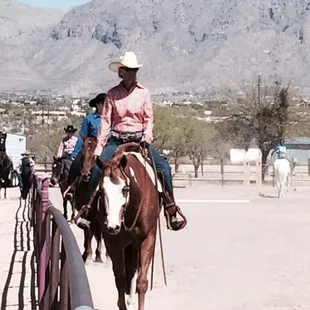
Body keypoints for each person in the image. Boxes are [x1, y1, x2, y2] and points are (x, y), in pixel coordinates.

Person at [87, 51, 186, 231]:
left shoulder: (144, 93)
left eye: (134, 70)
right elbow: (106, 122)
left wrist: (147, 136)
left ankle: (171, 210)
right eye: (128, 70)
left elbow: (149, 118)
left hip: (139, 140)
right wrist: (99, 148)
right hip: (116, 140)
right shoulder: (112, 94)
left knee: (164, 168)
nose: (132, 73)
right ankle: (89, 211)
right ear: (121, 72)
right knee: (96, 169)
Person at [64, 93, 107, 201]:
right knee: (76, 163)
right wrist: (75, 153)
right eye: (103, 103)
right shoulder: (90, 119)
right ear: (97, 105)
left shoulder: (111, 119)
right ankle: (71, 188)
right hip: (91, 146)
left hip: (107, 147)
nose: (105, 106)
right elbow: (83, 136)